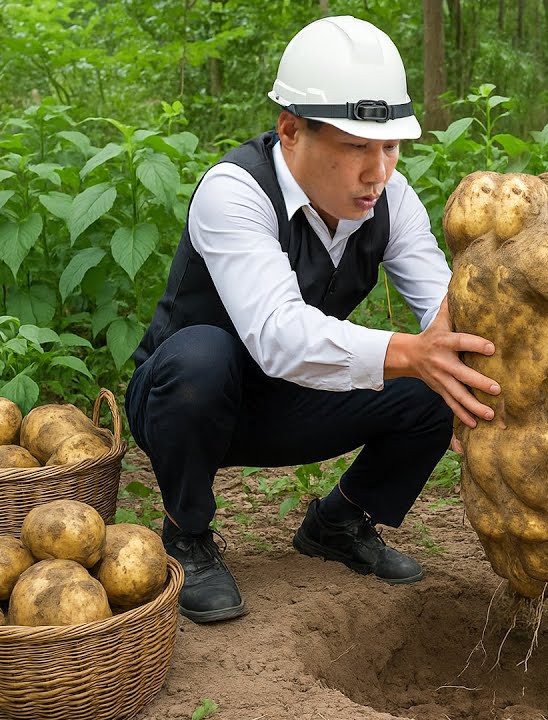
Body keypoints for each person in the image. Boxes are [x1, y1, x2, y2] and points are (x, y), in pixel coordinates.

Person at [126, 16, 498, 624]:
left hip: (291, 403)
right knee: (202, 358)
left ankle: (340, 520)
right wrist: (411, 352)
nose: (378, 172)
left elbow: (444, 305)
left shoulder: (392, 199)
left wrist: (484, 361)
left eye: (389, 147)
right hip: (185, 403)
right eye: (355, 148)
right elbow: (276, 334)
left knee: (441, 379)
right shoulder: (234, 190)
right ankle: (185, 534)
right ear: (291, 130)